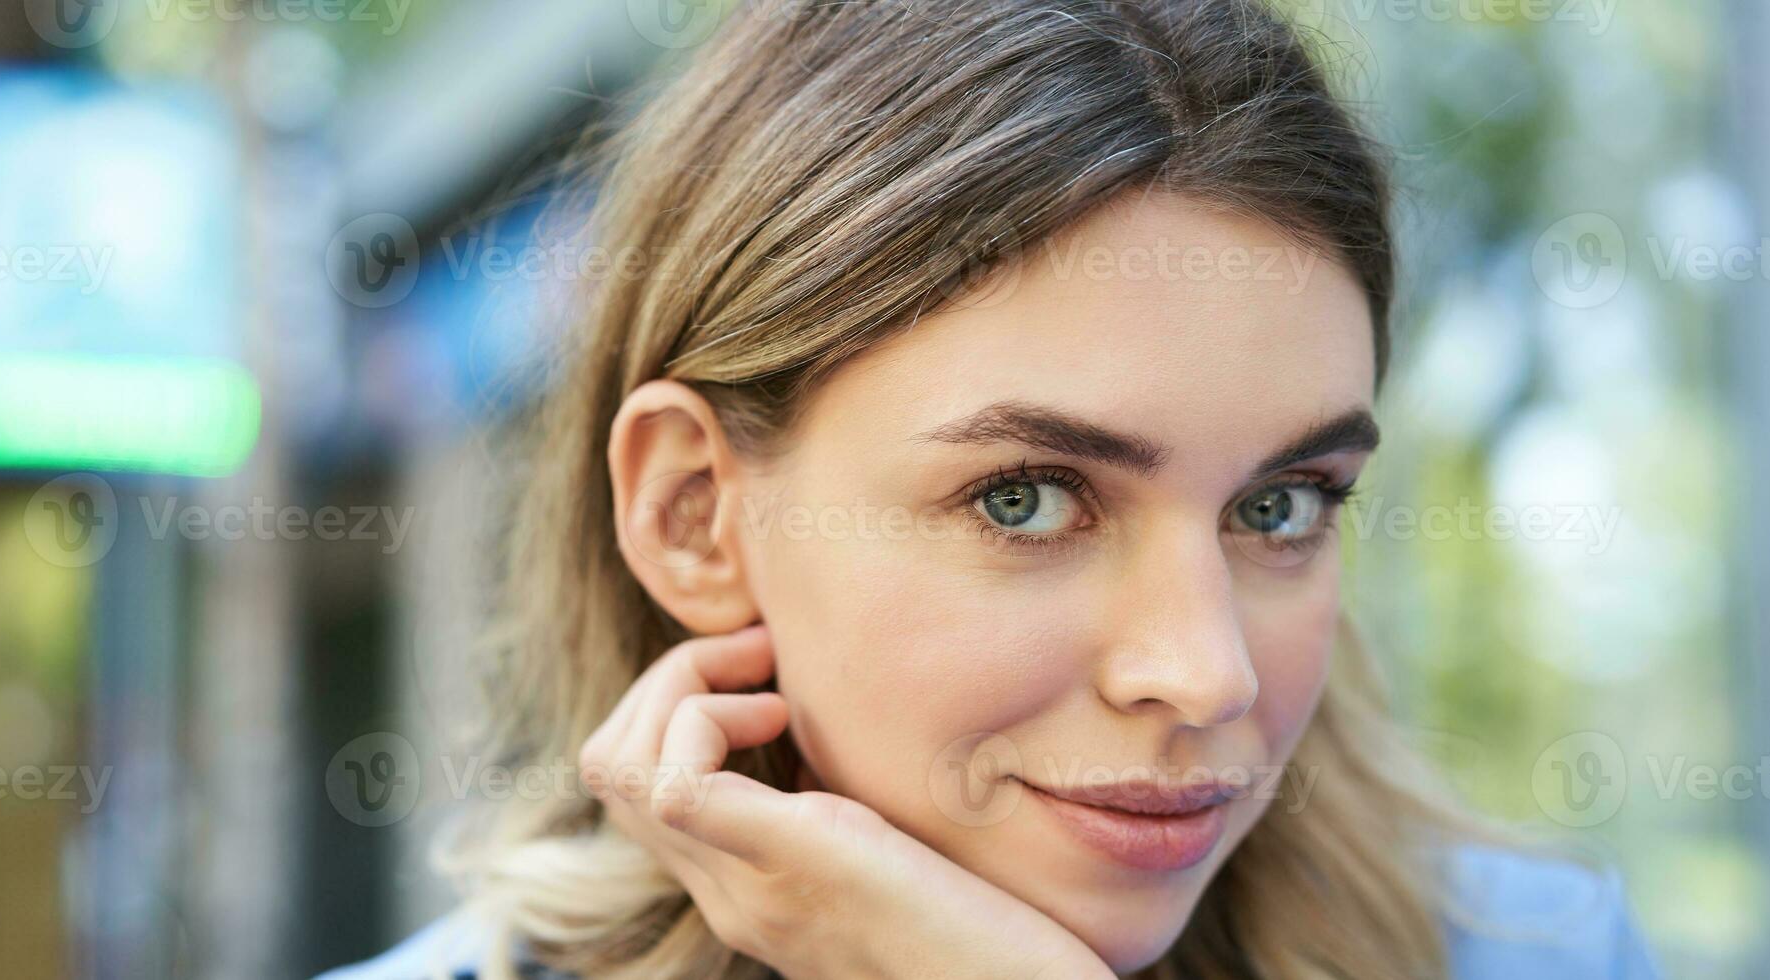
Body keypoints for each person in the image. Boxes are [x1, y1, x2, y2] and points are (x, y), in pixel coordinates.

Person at [328, 0, 1661, 976]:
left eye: (1279, 505)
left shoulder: (1532, 952)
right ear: (694, 514)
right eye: (1026, 499)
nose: (1204, 678)